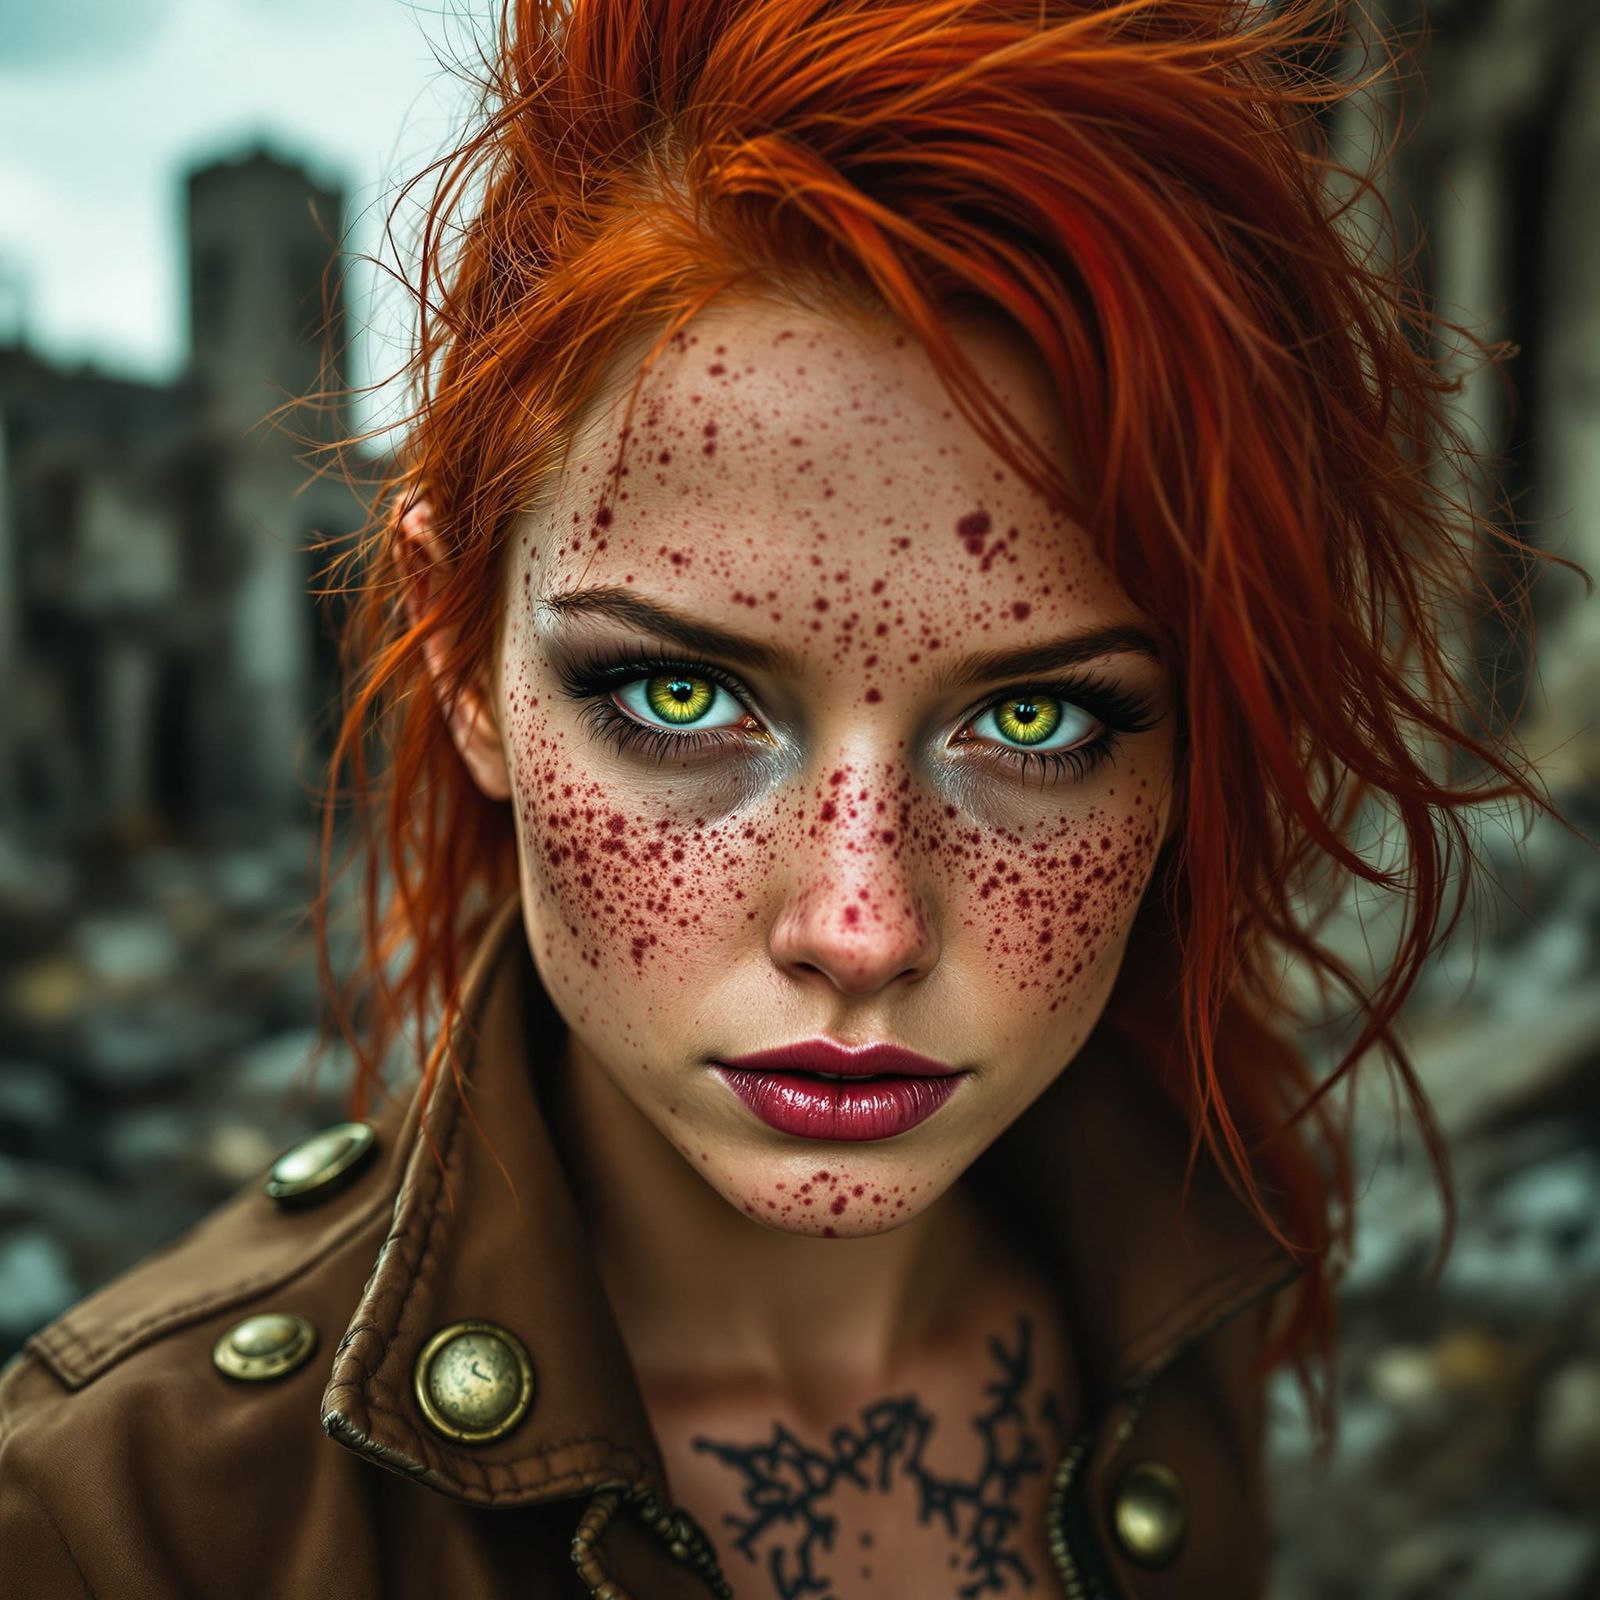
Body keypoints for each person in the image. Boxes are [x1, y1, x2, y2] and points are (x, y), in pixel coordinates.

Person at [0, 0, 1578, 1595]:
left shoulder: (1190, 1297)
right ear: (459, 658)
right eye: (680, 697)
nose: (860, 924)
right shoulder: (116, 1528)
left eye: (1035, 717)